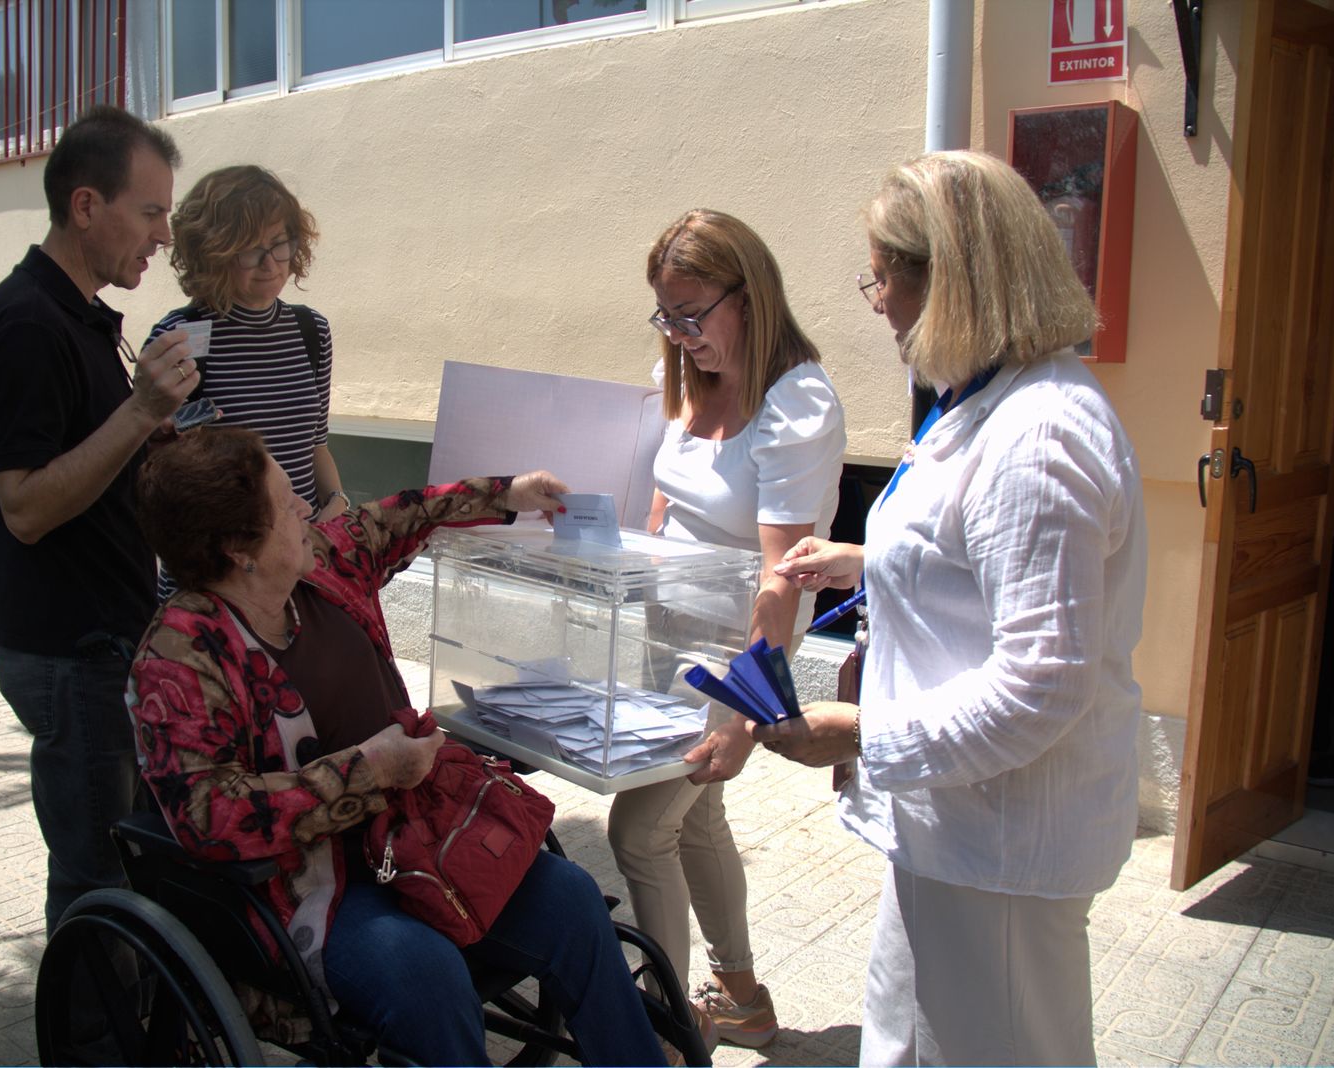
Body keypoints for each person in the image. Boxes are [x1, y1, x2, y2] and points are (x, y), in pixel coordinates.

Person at [761, 150, 1147, 1066]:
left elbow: (1039, 686)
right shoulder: (988, 404)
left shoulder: (1039, 438)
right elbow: (971, 550)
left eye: (882, 277)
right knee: (903, 1043)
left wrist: (862, 730)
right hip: (956, 830)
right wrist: (871, 564)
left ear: (953, 282)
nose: (879, 302)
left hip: (1001, 847)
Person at [127, 427, 666, 1067]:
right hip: (308, 891)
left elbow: (403, 515)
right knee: (425, 973)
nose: (306, 505)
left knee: (571, 899)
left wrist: (511, 493)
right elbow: (209, 815)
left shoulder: (322, 567)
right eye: (285, 500)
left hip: (419, 837)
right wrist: (370, 772)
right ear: (239, 549)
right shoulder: (179, 660)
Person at [608, 209, 846, 1049]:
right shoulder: (687, 369)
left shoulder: (797, 401)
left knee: (638, 831)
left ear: (750, 297)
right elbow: (668, 496)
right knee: (698, 819)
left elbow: (783, 581)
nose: (678, 335)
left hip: (735, 655)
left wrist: (748, 713)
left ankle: (666, 1036)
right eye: (665, 316)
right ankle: (740, 1001)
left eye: (692, 314)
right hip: (666, 633)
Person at [0, 105, 195, 935]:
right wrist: (137, 415)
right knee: (98, 878)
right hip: (69, 649)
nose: (163, 236)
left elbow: (89, 456)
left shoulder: (79, 315)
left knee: (120, 868)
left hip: (102, 637)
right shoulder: (26, 323)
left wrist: (148, 432)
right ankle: (95, 1047)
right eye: (152, 211)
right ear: (87, 206)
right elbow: (24, 508)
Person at [148, 165, 346, 525]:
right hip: (221, 567)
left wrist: (337, 504)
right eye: (251, 249)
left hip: (302, 561)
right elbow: (163, 474)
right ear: (214, 253)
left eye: (279, 243)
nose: (270, 263)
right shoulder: (181, 337)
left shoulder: (310, 330)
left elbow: (316, 446)